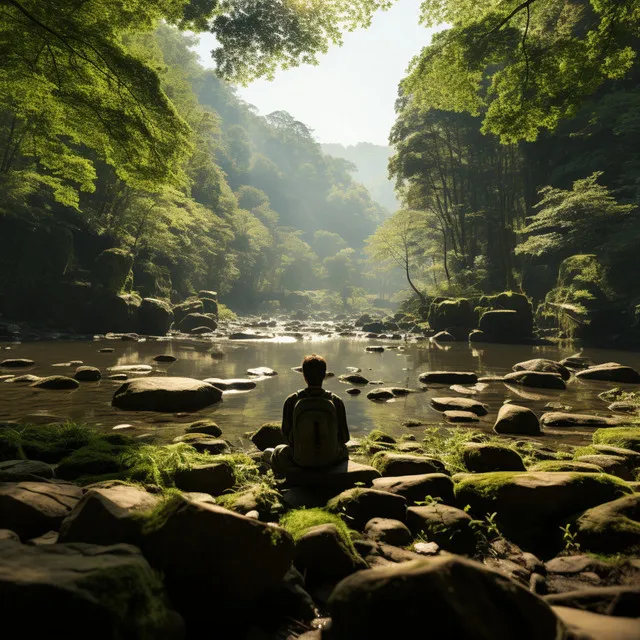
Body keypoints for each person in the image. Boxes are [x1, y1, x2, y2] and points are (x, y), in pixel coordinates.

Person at [266, 353, 349, 477]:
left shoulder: (291, 400)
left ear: (304, 376)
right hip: (330, 459)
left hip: (300, 459)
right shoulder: (336, 401)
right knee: (345, 451)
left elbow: (287, 437)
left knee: (277, 451)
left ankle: (284, 482)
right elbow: (345, 438)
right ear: (324, 375)